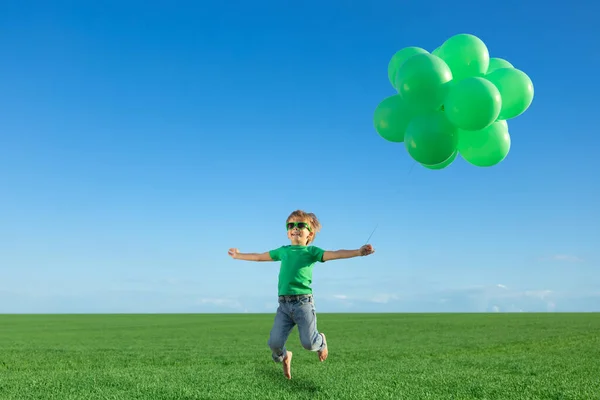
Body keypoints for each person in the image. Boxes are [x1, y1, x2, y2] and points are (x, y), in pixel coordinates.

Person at [227, 210, 375, 379]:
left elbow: (336, 254)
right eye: (291, 225)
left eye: (300, 225)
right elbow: (260, 257)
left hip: (303, 304)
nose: (295, 228)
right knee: (274, 344)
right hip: (284, 305)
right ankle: (285, 356)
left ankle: (321, 341)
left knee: (309, 344)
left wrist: (358, 251)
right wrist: (238, 255)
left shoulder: (311, 252)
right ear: (287, 232)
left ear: (309, 233)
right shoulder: (283, 251)